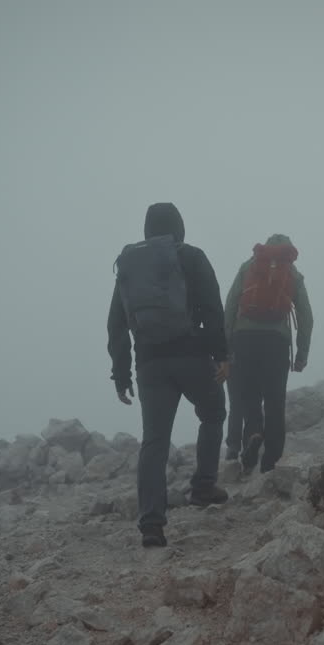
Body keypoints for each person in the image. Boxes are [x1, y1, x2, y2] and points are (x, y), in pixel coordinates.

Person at [107, 202, 230, 548]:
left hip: (149, 365)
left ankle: (151, 523)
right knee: (213, 414)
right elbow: (212, 307)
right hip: (192, 356)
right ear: (180, 227)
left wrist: (121, 374)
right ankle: (204, 487)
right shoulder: (191, 256)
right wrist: (221, 354)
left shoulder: (130, 267)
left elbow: (116, 323)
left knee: (155, 441)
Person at [223, 233, 313, 474]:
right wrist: (302, 353)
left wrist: (226, 344)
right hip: (277, 343)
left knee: (249, 395)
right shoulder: (293, 273)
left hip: (244, 339)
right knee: (275, 401)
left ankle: (253, 433)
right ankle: (270, 464)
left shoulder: (249, 266)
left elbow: (231, 304)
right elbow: (306, 316)